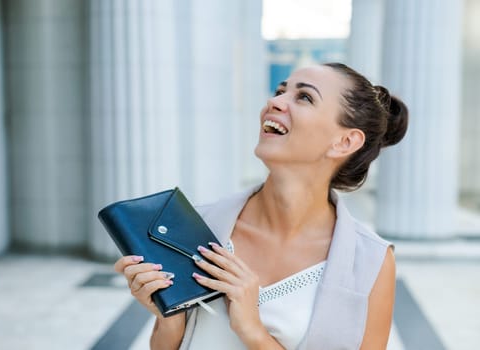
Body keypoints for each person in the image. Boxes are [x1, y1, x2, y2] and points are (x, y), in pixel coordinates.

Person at [114, 62, 408, 350]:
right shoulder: (197, 224)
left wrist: (253, 332)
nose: (275, 101)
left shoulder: (371, 262)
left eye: (304, 97)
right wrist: (170, 318)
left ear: (344, 142)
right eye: (281, 90)